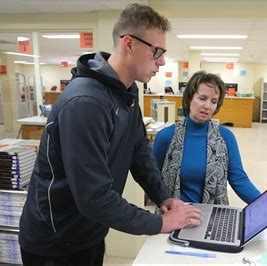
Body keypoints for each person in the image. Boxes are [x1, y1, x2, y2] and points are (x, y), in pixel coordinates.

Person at [19, 4, 202, 265]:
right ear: (129, 44)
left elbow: (139, 152)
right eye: (157, 52)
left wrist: (164, 197)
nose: (162, 61)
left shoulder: (126, 92)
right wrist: (158, 223)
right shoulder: (86, 103)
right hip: (55, 241)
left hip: (89, 231)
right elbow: (93, 196)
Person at [152, 71, 261, 205]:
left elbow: (239, 179)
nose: (208, 106)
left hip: (214, 216)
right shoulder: (167, 136)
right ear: (189, 98)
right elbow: (153, 180)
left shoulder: (225, 137)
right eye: (202, 98)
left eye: (214, 101)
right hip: (175, 217)